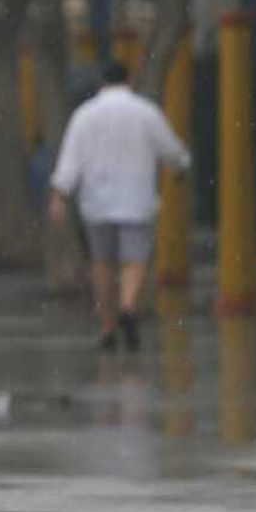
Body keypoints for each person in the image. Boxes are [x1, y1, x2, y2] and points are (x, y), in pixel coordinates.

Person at [49, 59, 190, 352]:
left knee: (101, 264)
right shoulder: (145, 112)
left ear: (102, 81)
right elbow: (170, 149)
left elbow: (70, 160)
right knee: (134, 261)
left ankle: (107, 326)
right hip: (136, 200)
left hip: (96, 203)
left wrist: (60, 195)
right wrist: (180, 166)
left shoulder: (84, 116)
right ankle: (127, 305)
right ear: (130, 80)